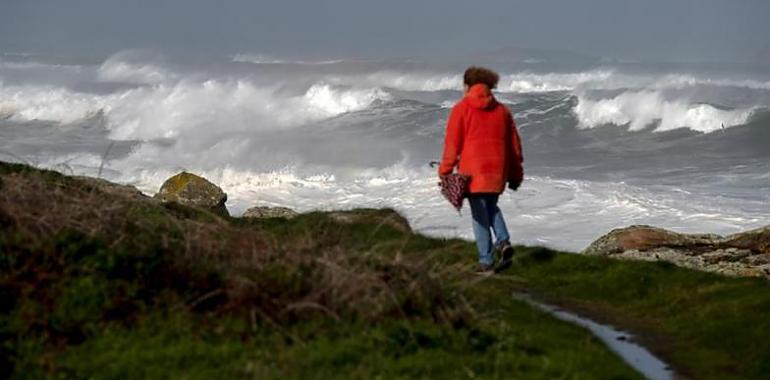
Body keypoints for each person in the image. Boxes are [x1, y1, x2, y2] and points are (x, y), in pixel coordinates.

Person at [438, 66, 524, 275]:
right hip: (497, 172)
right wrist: (515, 175)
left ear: (467, 85)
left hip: (473, 172)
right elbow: (515, 147)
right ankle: (503, 242)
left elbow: (452, 144)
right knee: (491, 207)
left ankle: (486, 262)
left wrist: (445, 170)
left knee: (479, 215)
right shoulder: (502, 111)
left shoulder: (462, 108)